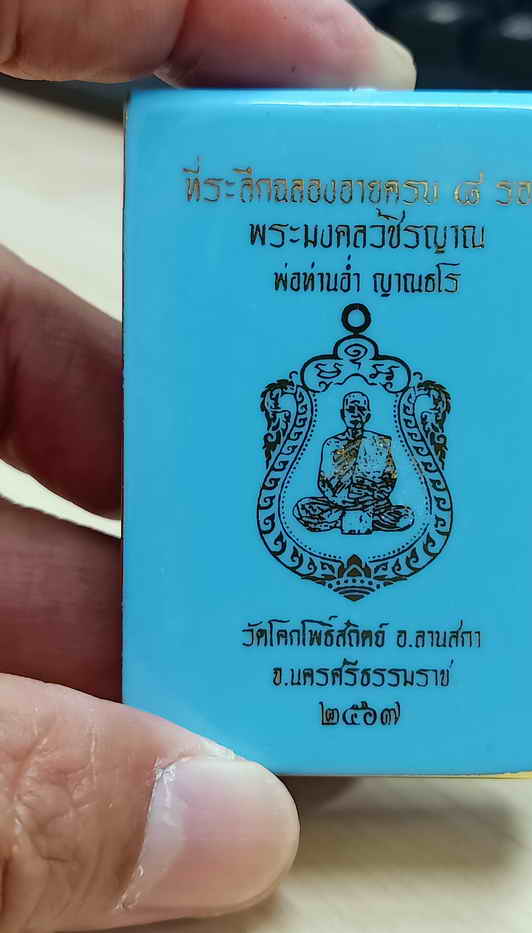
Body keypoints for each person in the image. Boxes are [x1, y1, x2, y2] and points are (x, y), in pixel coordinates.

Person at [0, 3, 415, 930]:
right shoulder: (332, 433)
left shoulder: (379, 437)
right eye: (349, 413)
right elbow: (329, 482)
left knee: (365, 506)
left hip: (365, 520)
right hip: (327, 523)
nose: (355, 419)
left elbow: (381, 485)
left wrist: (364, 485)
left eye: (360, 412)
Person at [295, 391, 414, 534]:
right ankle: (359, 519)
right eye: (351, 409)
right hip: (339, 504)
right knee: (302, 507)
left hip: (374, 505)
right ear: (343, 414)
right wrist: (338, 500)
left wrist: (372, 498)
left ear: (367, 416)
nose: (356, 414)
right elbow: (323, 482)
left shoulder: (380, 442)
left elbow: (389, 479)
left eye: (361, 410)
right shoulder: (331, 444)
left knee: (406, 516)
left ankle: (341, 521)